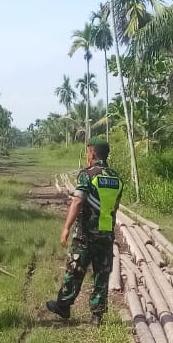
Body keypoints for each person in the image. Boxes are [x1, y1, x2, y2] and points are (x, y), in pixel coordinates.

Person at [47, 137, 124, 326]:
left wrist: (66, 228)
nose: (87, 156)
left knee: (75, 269)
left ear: (93, 154)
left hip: (86, 234)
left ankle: (63, 305)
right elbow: (114, 206)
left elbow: (78, 201)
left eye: (88, 152)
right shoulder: (116, 177)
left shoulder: (87, 175)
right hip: (106, 233)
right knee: (102, 273)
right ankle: (97, 314)